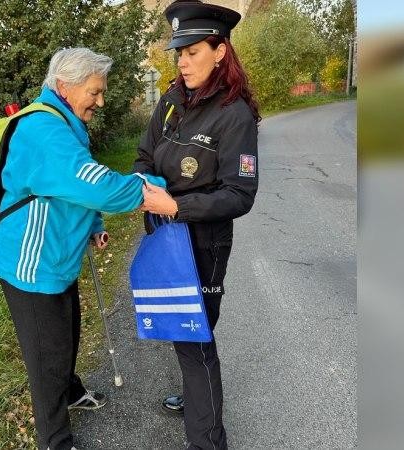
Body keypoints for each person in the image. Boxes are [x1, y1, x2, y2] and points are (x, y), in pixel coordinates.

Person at [0, 47, 166, 450]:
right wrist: (148, 191)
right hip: (30, 266)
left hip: (58, 256)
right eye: (95, 91)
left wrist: (95, 225)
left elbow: (69, 191)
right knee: (47, 357)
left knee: (66, 333)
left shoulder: (65, 124)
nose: (100, 101)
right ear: (64, 86)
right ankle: (55, 439)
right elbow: (93, 184)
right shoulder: (44, 131)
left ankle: (70, 392)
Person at [134, 1, 260, 448]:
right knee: (181, 330)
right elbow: (145, 155)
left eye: (192, 51)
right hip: (164, 235)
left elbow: (240, 194)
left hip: (203, 242)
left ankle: (208, 440)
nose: (183, 61)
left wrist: (176, 207)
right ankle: (197, 398)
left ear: (220, 50)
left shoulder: (235, 114)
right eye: (179, 52)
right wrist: (144, 184)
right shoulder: (172, 101)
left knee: (197, 338)